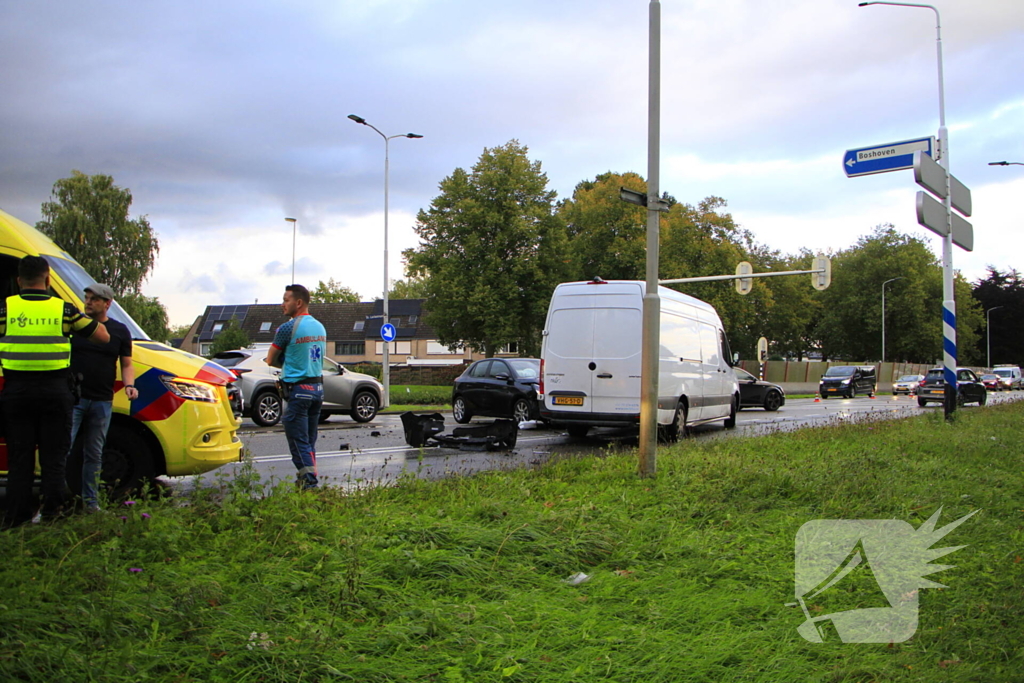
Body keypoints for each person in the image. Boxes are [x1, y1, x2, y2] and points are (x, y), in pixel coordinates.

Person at [0, 256, 109, 529]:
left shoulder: (4, 310)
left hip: (16, 392)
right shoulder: (65, 311)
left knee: (19, 457)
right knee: (54, 458)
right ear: (48, 279)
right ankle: (53, 516)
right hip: (54, 392)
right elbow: (103, 337)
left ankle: (16, 519)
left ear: (18, 281)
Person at [67, 283, 139, 513]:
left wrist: (129, 385)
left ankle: (91, 504)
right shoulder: (75, 326)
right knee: (62, 450)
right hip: (74, 399)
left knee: (94, 454)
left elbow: (126, 363)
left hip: (102, 400)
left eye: (94, 299)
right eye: (86, 297)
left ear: (107, 304)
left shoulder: (119, 331)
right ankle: (57, 501)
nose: (88, 302)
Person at [265, 284, 327, 489]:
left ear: (298, 302)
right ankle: (306, 479)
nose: (282, 304)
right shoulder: (320, 327)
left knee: (298, 441)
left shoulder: (287, 328)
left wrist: (289, 361)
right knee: (308, 442)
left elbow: (270, 359)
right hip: (317, 390)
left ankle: (310, 484)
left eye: (286, 300)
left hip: (298, 392)